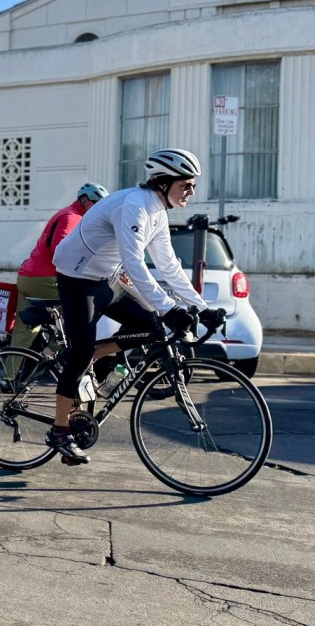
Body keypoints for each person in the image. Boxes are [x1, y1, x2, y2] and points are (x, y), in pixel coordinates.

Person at [49, 149, 225, 465]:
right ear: (163, 182)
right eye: (186, 184)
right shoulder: (135, 206)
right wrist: (170, 307)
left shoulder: (157, 211)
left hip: (106, 278)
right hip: (77, 277)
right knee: (79, 352)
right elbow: (135, 262)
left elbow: (168, 264)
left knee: (150, 326)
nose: (191, 191)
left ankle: (96, 357)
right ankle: (60, 430)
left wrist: (202, 306)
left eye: (192, 185)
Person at [10, 183, 109, 350]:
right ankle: (51, 355)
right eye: (97, 203)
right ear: (84, 200)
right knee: (79, 312)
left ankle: (11, 376)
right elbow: (60, 251)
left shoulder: (68, 214)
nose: (99, 209)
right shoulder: (72, 217)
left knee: (24, 331)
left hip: (29, 276)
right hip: (44, 278)